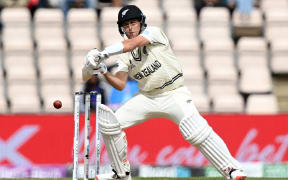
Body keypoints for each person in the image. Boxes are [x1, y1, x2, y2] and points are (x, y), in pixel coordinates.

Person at [82, 5, 247, 180]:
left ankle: (232, 169)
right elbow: (120, 84)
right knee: (110, 123)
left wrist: (102, 53)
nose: (129, 28)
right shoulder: (125, 57)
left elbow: (132, 44)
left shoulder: (153, 33)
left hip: (173, 92)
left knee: (195, 131)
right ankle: (121, 174)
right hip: (148, 97)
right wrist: (103, 71)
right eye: (125, 25)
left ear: (141, 23)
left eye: (133, 23)